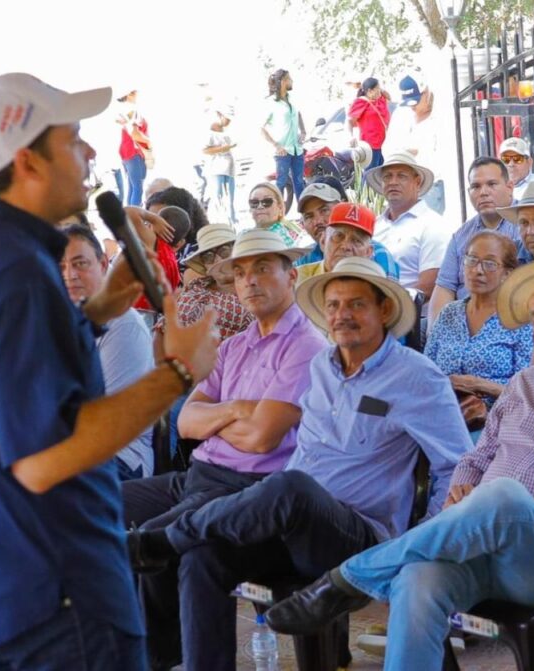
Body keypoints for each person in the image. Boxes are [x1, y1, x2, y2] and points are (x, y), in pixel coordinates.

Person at [0, 72, 220, 668]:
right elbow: (45, 458)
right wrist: (178, 371)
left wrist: (96, 312)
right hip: (52, 590)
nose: (92, 151)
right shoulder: (16, 275)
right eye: (73, 138)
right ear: (29, 162)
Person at [265, 260, 534, 671]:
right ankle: (360, 581)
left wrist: (519, 509)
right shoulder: (525, 384)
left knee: (504, 496)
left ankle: (348, 579)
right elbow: (476, 457)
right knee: (417, 579)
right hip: (484, 550)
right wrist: (464, 488)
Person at [126, 256, 470, 670]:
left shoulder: (416, 377)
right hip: (292, 526)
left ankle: (162, 539)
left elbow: (456, 465)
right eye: (334, 305)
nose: (342, 315)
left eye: (356, 304)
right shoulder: (321, 366)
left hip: (355, 533)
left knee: (291, 486)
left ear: (384, 310)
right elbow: (193, 422)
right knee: (204, 554)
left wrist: (417, 548)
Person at [122, 228, 325, 668]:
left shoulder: (306, 345)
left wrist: (218, 421)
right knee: (101, 501)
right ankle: (146, 651)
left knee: (155, 540)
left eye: (263, 269)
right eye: (240, 273)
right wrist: (237, 409)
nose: (249, 280)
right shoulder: (234, 345)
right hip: (200, 475)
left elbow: (262, 437)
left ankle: (160, 658)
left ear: (291, 277)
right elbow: (186, 422)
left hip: (252, 485)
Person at [61, 223, 156, 479]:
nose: (70, 275)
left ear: (103, 264)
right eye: (61, 267)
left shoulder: (122, 323)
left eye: (80, 264)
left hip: (118, 457)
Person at [425, 232, 534, 435]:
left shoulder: (520, 320)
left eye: (490, 264)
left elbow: (528, 394)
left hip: (497, 420)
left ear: (508, 273)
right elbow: (426, 371)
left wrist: (479, 385)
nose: (478, 270)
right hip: (441, 412)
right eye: (471, 260)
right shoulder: (449, 313)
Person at [428, 157, 519, 321]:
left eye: (491, 184)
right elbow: (444, 287)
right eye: (476, 186)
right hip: (461, 323)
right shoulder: (461, 236)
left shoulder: (526, 225)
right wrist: (436, 336)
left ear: (510, 187)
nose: (483, 192)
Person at [368, 152, 453, 296]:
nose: (393, 182)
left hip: (415, 315)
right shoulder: (374, 226)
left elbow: (429, 286)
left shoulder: (433, 225)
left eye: (401, 176)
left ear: (417, 182)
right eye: (387, 176)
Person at [294, 182, 399, 277]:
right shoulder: (303, 262)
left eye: (324, 210)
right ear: (323, 241)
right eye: (309, 216)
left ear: (368, 252)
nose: (318, 221)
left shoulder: (380, 254)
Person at [172, 224, 255, 338]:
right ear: (205, 265)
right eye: (208, 256)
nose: (218, 260)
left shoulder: (258, 286)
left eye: (224, 251)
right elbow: (164, 330)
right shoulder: (196, 291)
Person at [384, 75, 443, 214]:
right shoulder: (401, 114)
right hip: (406, 184)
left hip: (432, 184)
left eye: (416, 102)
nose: (413, 107)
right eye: (409, 103)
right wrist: (404, 152)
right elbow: (388, 148)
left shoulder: (440, 114)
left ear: (426, 93)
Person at [262, 69, 306, 212]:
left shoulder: (292, 99)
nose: (292, 81)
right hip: (282, 151)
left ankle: (304, 214)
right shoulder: (270, 103)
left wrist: (303, 130)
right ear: (282, 82)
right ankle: (277, 216)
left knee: (299, 182)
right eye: (289, 78)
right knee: (280, 184)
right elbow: (261, 129)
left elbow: (298, 114)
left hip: (297, 149)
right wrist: (276, 145)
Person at [115, 88, 151, 206]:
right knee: (138, 187)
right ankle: (135, 217)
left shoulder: (123, 110)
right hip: (132, 151)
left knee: (132, 186)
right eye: (135, 92)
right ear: (129, 94)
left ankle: (129, 216)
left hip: (127, 151)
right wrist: (149, 143)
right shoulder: (131, 110)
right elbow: (135, 134)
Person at [246, 181, 306, 246]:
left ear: (280, 208)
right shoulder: (247, 235)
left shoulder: (279, 238)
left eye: (267, 201)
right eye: (254, 202)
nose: (260, 206)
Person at [349, 77, 391, 170]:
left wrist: (380, 89)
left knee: (378, 177)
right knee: (369, 177)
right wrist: (351, 136)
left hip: (382, 145)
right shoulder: (361, 102)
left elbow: (389, 97)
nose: (379, 91)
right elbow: (350, 121)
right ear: (370, 91)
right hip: (370, 146)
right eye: (377, 89)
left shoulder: (380, 100)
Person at [204, 110, 237, 225]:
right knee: (218, 196)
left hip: (229, 168)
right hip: (217, 167)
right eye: (227, 118)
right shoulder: (210, 131)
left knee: (230, 197)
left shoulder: (227, 131)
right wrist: (222, 149)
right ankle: (219, 221)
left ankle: (231, 220)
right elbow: (205, 150)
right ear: (220, 115)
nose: (228, 121)